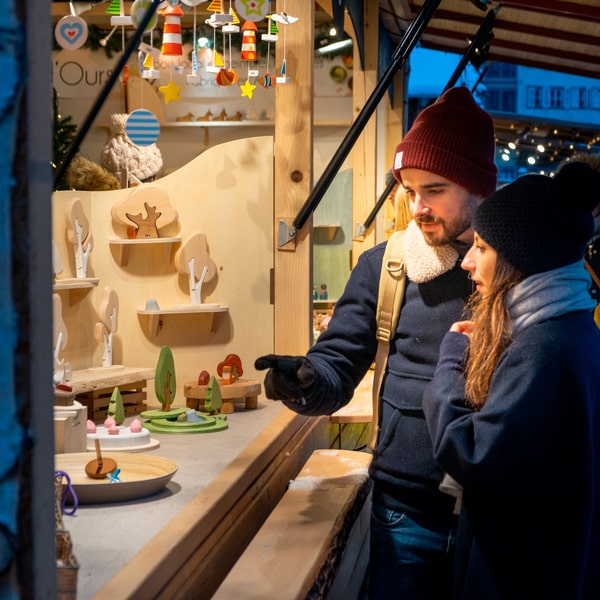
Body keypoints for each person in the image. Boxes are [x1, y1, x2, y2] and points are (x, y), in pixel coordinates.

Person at [255, 86, 498, 599]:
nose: (418, 207)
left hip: (496, 519)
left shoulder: (512, 272)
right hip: (402, 514)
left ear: (478, 187)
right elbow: (338, 363)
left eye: (434, 190)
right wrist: (305, 381)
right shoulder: (386, 265)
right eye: (409, 190)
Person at [423, 161, 600, 599]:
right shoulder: (573, 328)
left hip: (519, 573)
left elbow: (475, 455)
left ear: (519, 261)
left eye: (481, 247)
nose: (467, 262)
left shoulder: (544, 350)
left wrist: (450, 364)